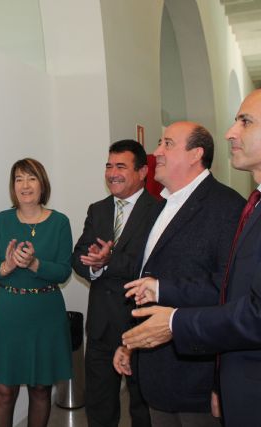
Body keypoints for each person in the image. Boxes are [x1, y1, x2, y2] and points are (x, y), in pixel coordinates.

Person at [122, 79, 261, 426]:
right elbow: (234, 289)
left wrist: (174, 322)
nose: (231, 132)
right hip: (248, 389)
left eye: (246, 121)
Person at [113, 122, 245, 427]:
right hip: (156, 372)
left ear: (196, 154)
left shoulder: (227, 207)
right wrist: (131, 343)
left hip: (196, 377)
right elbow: (144, 277)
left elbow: (229, 288)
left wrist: (161, 288)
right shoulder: (160, 206)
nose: (156, 152)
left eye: (167, 144)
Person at [0, 158, 73, 427]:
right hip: (7, 315)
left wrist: (34, 264)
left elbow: (64, 272)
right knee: (3, 391)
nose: (25, 185)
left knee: (40, 389)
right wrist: (7, 266)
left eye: (31, 178)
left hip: (46, 315)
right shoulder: (1, 221)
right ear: (13, 186)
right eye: (18, 179)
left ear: (42, 184)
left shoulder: (60, 222)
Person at [72, 140, 160, 427]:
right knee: (99, 408)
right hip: (101, 327)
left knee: (143, 409)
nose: (112, 173)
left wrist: (109, 261)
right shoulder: (97, 210)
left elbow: (152, 266)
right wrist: (94, 265)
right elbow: (78, 256)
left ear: (142, 172)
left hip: (141, 325)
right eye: (109, 166)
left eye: (121, 166)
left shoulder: (159, 210)